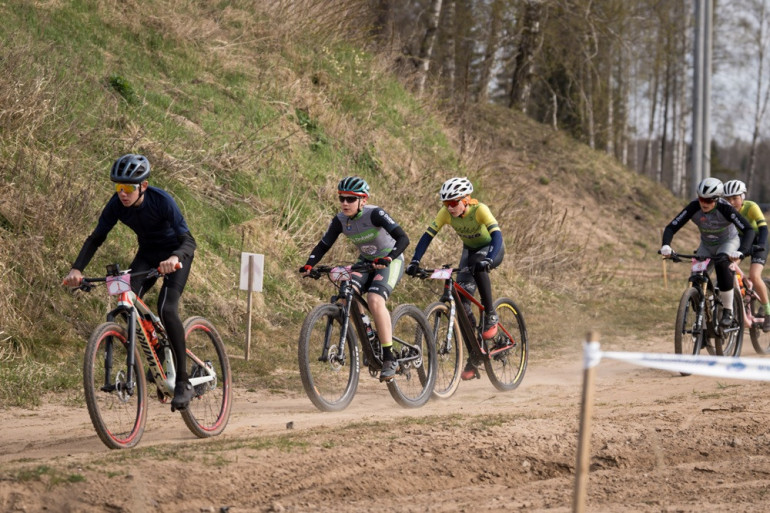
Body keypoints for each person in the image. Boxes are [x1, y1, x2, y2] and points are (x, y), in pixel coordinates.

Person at [63, 154, 197, 411]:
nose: (122, 194)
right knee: (126, 303)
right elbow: (96, 238)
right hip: (147, 255)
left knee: (167, 309)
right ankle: (157, 356)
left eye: (128, 188)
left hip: (175, 255)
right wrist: (77, 269)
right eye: (118, 187)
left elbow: (189, 241)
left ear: (143, 186)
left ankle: (182, 382)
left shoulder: (162, 201)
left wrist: (174, 258)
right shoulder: (116, 205)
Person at [299, 176, 409, 382]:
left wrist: (388, 258)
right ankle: (367, 333)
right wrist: (309, 264)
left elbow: (404, 238)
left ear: (363, 200)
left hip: (390, 260)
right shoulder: (340, 220)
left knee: (376, 300)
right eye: (342, 198)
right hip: (366, 261)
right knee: (346, 292)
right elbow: (323, 245)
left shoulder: (375, 214)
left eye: (351, 199)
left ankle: (388, 357)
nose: (345, 203)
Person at [405, 177, 504, 381]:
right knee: (461, 302)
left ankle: (491, 313)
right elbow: (427, 237)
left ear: (466, 200)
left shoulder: (480, 210)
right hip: (469, 251)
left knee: (478, 264)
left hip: (491, 249)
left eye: (453, 203)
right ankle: (475, 355)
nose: (449, 208)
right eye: (445, 203)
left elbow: (497, 236)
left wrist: (489, 259)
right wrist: (415, 261)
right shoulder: (446, 214)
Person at [660, 177, 753, 327]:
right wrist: (666, 245)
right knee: (696, 277)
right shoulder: (694, 207)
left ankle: (728, 310)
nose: (704, 203)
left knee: (722, 264)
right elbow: (671, 227)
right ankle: (702, 319)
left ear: (717, 199)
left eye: (709, 201)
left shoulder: (726, 209)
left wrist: (742, 251)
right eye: (701, 199)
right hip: (707, 245)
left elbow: (748, 230)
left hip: (728, 242)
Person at [723, 179, 770, 331]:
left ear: (742, 197)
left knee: (755, 276)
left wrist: (761, 245)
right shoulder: (725, 209)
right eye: (728, 199)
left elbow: (763, 228)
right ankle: (740, 292)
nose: (731, 202)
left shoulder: (751, 206)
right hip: (740, 240)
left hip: (757, 240)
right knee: (728, 266)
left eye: (735, 198)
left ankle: (768, 312)